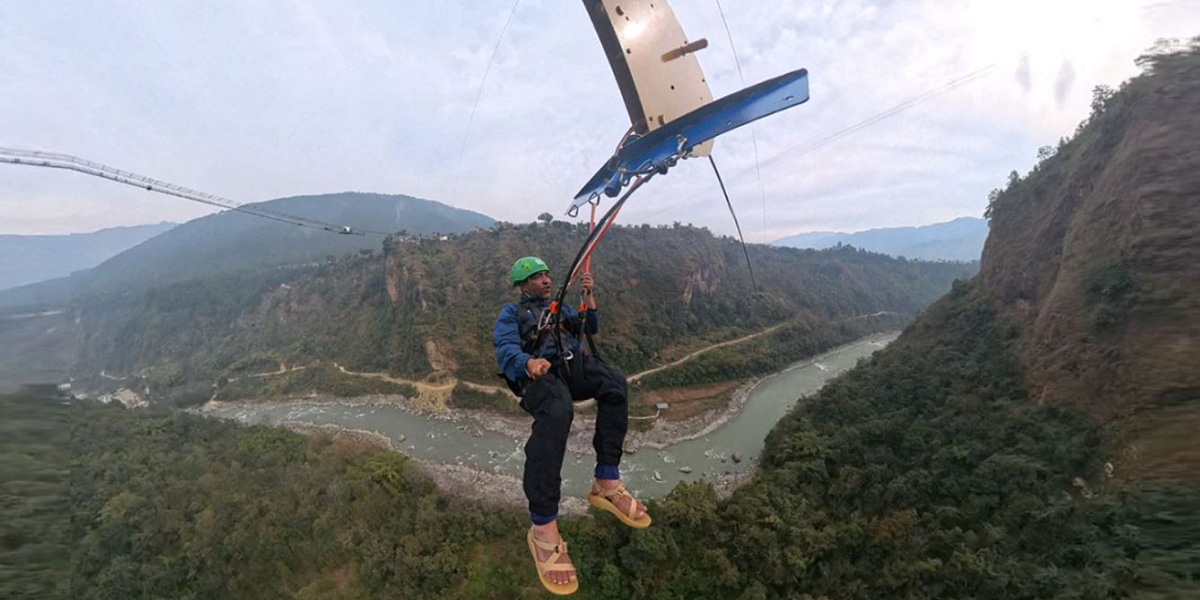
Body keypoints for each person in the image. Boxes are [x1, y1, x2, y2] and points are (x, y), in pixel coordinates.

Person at [494, 256, 650, 595]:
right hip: (540, 376)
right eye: (537, 277)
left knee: (614, 383)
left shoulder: (558, 306)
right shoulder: (513, 314)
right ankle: (543, 524)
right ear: (523, 285)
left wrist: (588, 299)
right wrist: (528, 361)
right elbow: (504, 350)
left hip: (571, 368)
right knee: (558, 410)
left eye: (547, 274)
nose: (546, 280)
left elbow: (588, 327)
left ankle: (607, 481)